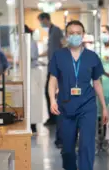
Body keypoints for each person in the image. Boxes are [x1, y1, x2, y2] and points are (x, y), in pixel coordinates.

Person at [48, 20, 109, 170]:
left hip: (87, 106)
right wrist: (52, 99)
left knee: (86, 146)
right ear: (67, 36)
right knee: (67, 148)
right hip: (66, 106)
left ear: (83, 35)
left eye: (78, 32)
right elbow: (52, 80)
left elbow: (97, 83)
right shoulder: (59, 56)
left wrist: (104, 107)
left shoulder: (92, 57)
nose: (75, 35)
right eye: (71, 32)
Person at [38, 13, 64, 143]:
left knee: (52, 92)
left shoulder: (57, 31)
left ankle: (55, 117)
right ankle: (53, 117)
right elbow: (50, 50)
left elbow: (62, 46)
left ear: (46, 19)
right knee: (49, 92)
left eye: (41, 21)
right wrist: (37, 56)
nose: (41, 24)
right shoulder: (51, 32)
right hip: (52, 65)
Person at [25, 25, 46, 133]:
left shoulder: (31, 42)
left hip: (32, 72)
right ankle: (31, 123)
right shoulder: (29, 42)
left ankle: (33, 124)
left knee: (32, 99)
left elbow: (32, 56)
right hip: (30, 72)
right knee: (31, 99)